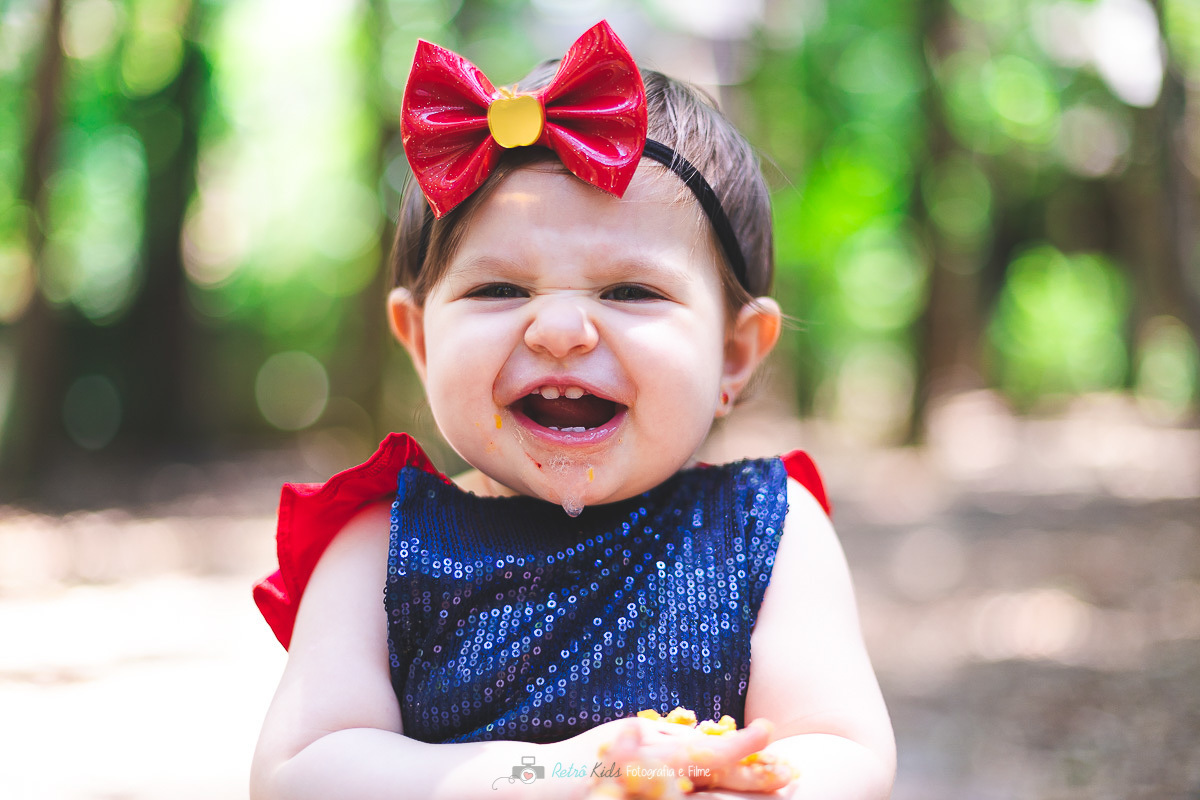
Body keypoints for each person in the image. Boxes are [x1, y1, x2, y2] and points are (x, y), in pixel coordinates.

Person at [250, 21, 895, 800]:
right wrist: (573, 770)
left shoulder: (767, 531)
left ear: (734, 351)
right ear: (419, 341)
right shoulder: (378, 549)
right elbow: (301, 772)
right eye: (498, 289)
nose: (558, 330)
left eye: (630, 291)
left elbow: (840, 750)